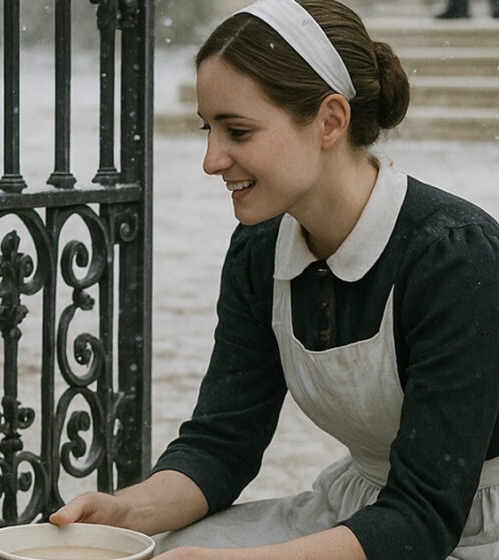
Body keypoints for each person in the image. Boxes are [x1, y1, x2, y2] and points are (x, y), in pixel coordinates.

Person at [50, 0, 499, 558]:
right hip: (370, 513)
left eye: (237, 130)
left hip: (468, 524)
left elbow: (427, 514)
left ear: (331, 121)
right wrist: (125, 512)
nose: (212, 160)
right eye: (208, 129)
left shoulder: (454, 257)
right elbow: (223, 444)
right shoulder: (263, 249)